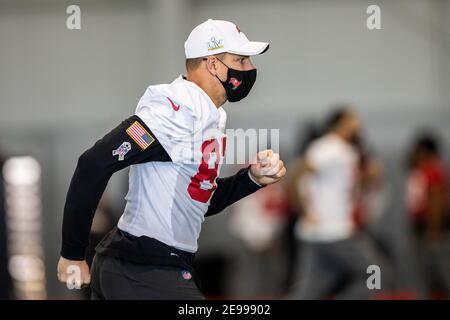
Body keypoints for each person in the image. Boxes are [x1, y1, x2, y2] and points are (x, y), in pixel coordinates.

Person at [56, 19, 286, 300]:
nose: (249, 68)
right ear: (213, 64)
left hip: (145, 266)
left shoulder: (210, 114)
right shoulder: (176, 110)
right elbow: (93, 163)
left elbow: (199, 200)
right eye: (240, 59)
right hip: (142, 268)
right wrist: (72, 254)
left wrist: (251, 179)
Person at [288, 108, 387, 299]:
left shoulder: (346, 150)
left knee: (310, 291)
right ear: (339, 123)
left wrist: (370, 177)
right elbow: (295, 175)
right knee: (376, 274)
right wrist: (304, 209)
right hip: (332, 231)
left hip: (321, 232)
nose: (358, 124)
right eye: (353, 119)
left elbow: (348, 185)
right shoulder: (328, 147)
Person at [405, 132, 450, 297]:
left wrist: (433, 230)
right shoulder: (419, 170)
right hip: (421, 228)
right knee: (426, 272)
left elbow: (437, 201)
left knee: (441, 270)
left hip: (433, 229)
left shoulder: (433, 170)